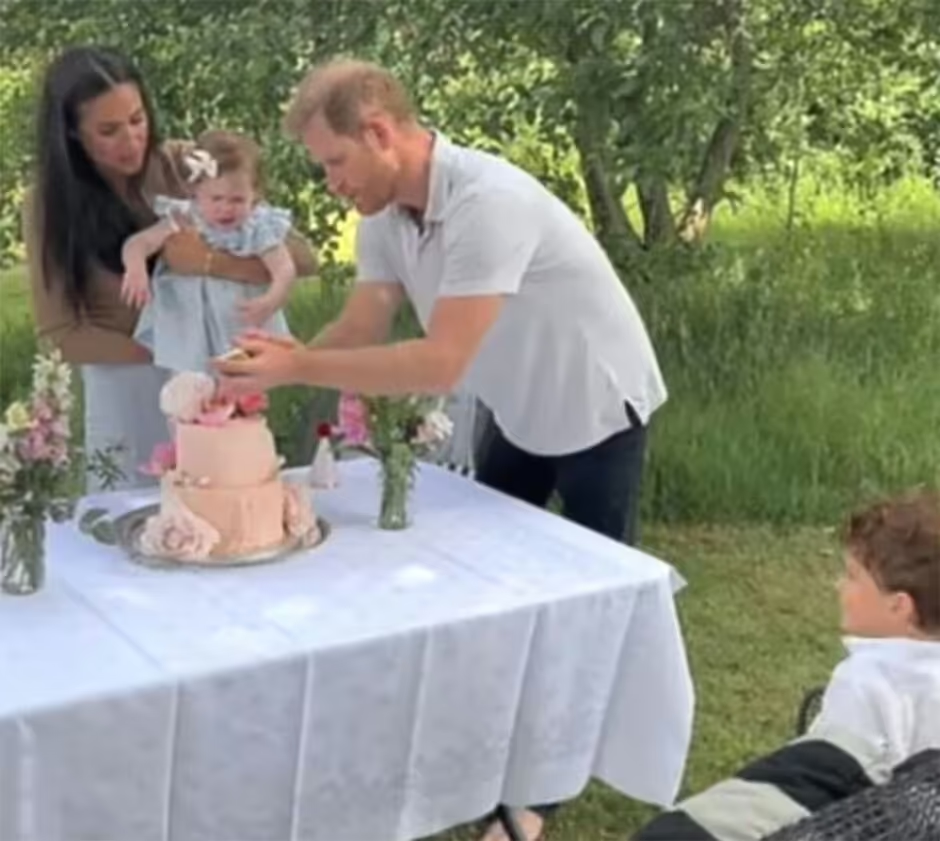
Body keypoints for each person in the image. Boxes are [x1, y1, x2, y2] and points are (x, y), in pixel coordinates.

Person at [215, 56, 667, 841]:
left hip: (598, 402)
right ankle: (483, 743)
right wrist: (272, 376)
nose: (330, 183)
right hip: (518, 407)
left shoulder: (489, 202)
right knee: (489, 584)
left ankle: (538, 800)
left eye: (334, 162)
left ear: (381, 132)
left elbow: (438, 360)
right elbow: (362, 326)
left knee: (591, 604)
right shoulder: (385, 216)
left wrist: (297, 364)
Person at [23, 46, 316, 490]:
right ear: (73, 134)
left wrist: (211, 262)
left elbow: (300, 256)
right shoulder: (49, 205)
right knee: (131, 514)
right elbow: (62, 335)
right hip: (124, 387)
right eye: (108, 130)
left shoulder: (186, 164)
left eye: (138, 120)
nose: (131, 141)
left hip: (210, 382)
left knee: (222, 501)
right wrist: (175, 355)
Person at [635, 489, 940, 841]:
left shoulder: (867, 684)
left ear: (898, 606)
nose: (839, 584)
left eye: (852, 576)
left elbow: (827, 788)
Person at [122, 129, 298, 374]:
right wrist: (136, 267)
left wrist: (271, 301)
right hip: (189, 327)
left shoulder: (257, 225)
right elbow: (138, 243)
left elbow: (284, 269)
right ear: (196, 191)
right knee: (190, 391)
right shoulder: (186, 217)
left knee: (241, 390)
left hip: (237, 325)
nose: (225, 209)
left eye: (237, 200)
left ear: (254, 195)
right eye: (216, 198)